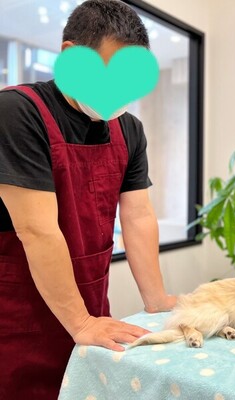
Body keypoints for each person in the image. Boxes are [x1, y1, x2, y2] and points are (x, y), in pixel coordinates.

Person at [0, 1, 176, 398]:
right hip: (18, 315)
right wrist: (79, 321)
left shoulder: (129, 130)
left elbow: (138, 216)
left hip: (90, 307)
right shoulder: (16, 113)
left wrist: (156, 300)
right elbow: (37, 230)